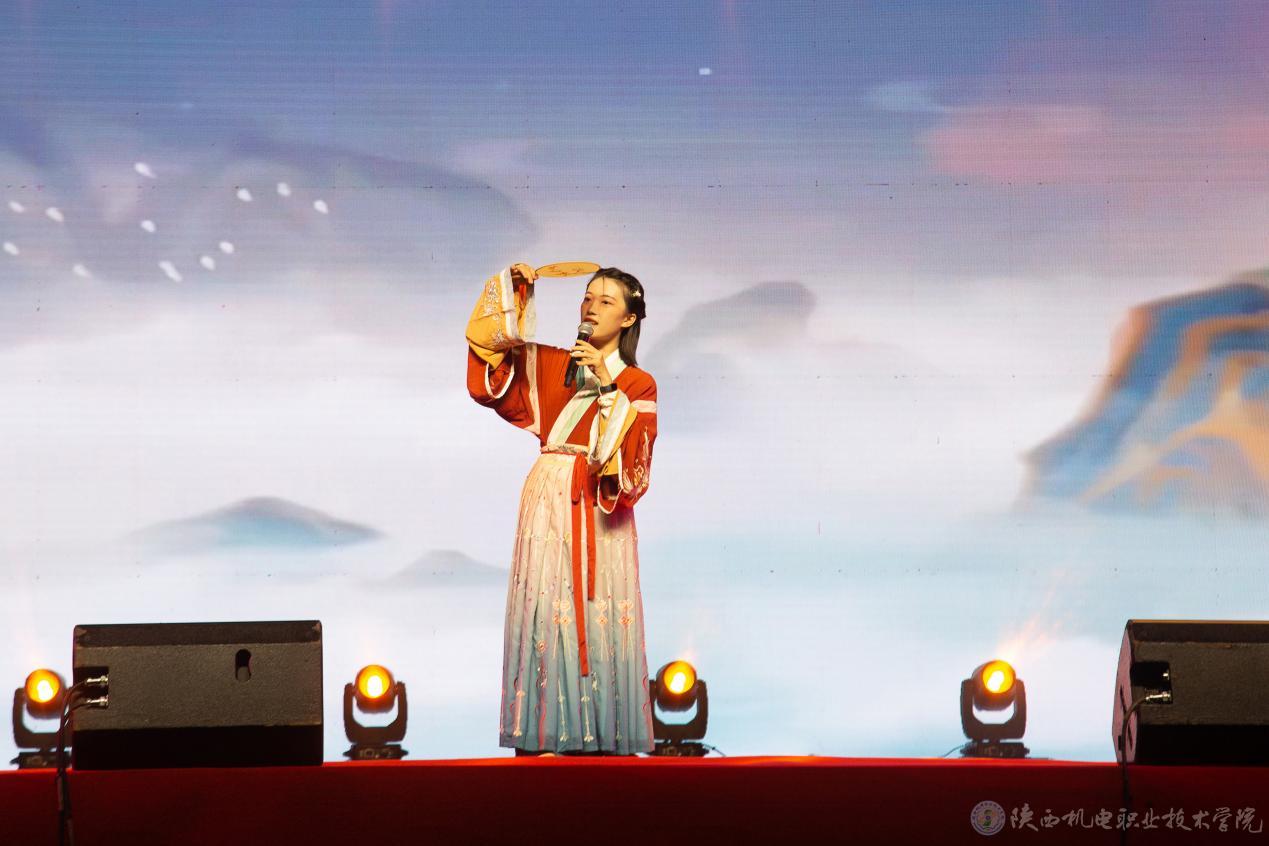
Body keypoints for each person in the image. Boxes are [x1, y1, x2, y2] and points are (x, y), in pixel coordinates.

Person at [465, 262, 657, 756]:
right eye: (587, 297)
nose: (591, 306)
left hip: (598, 504)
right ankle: (543, 738)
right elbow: (491, 367)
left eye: (606, 301)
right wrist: (517, 293)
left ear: (629, 319)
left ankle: (599, 741)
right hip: (550, 497)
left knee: (596, 611)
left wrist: (607, 386)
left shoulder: (638, 384)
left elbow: (633, 469)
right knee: (546, 613)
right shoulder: (553, 363)